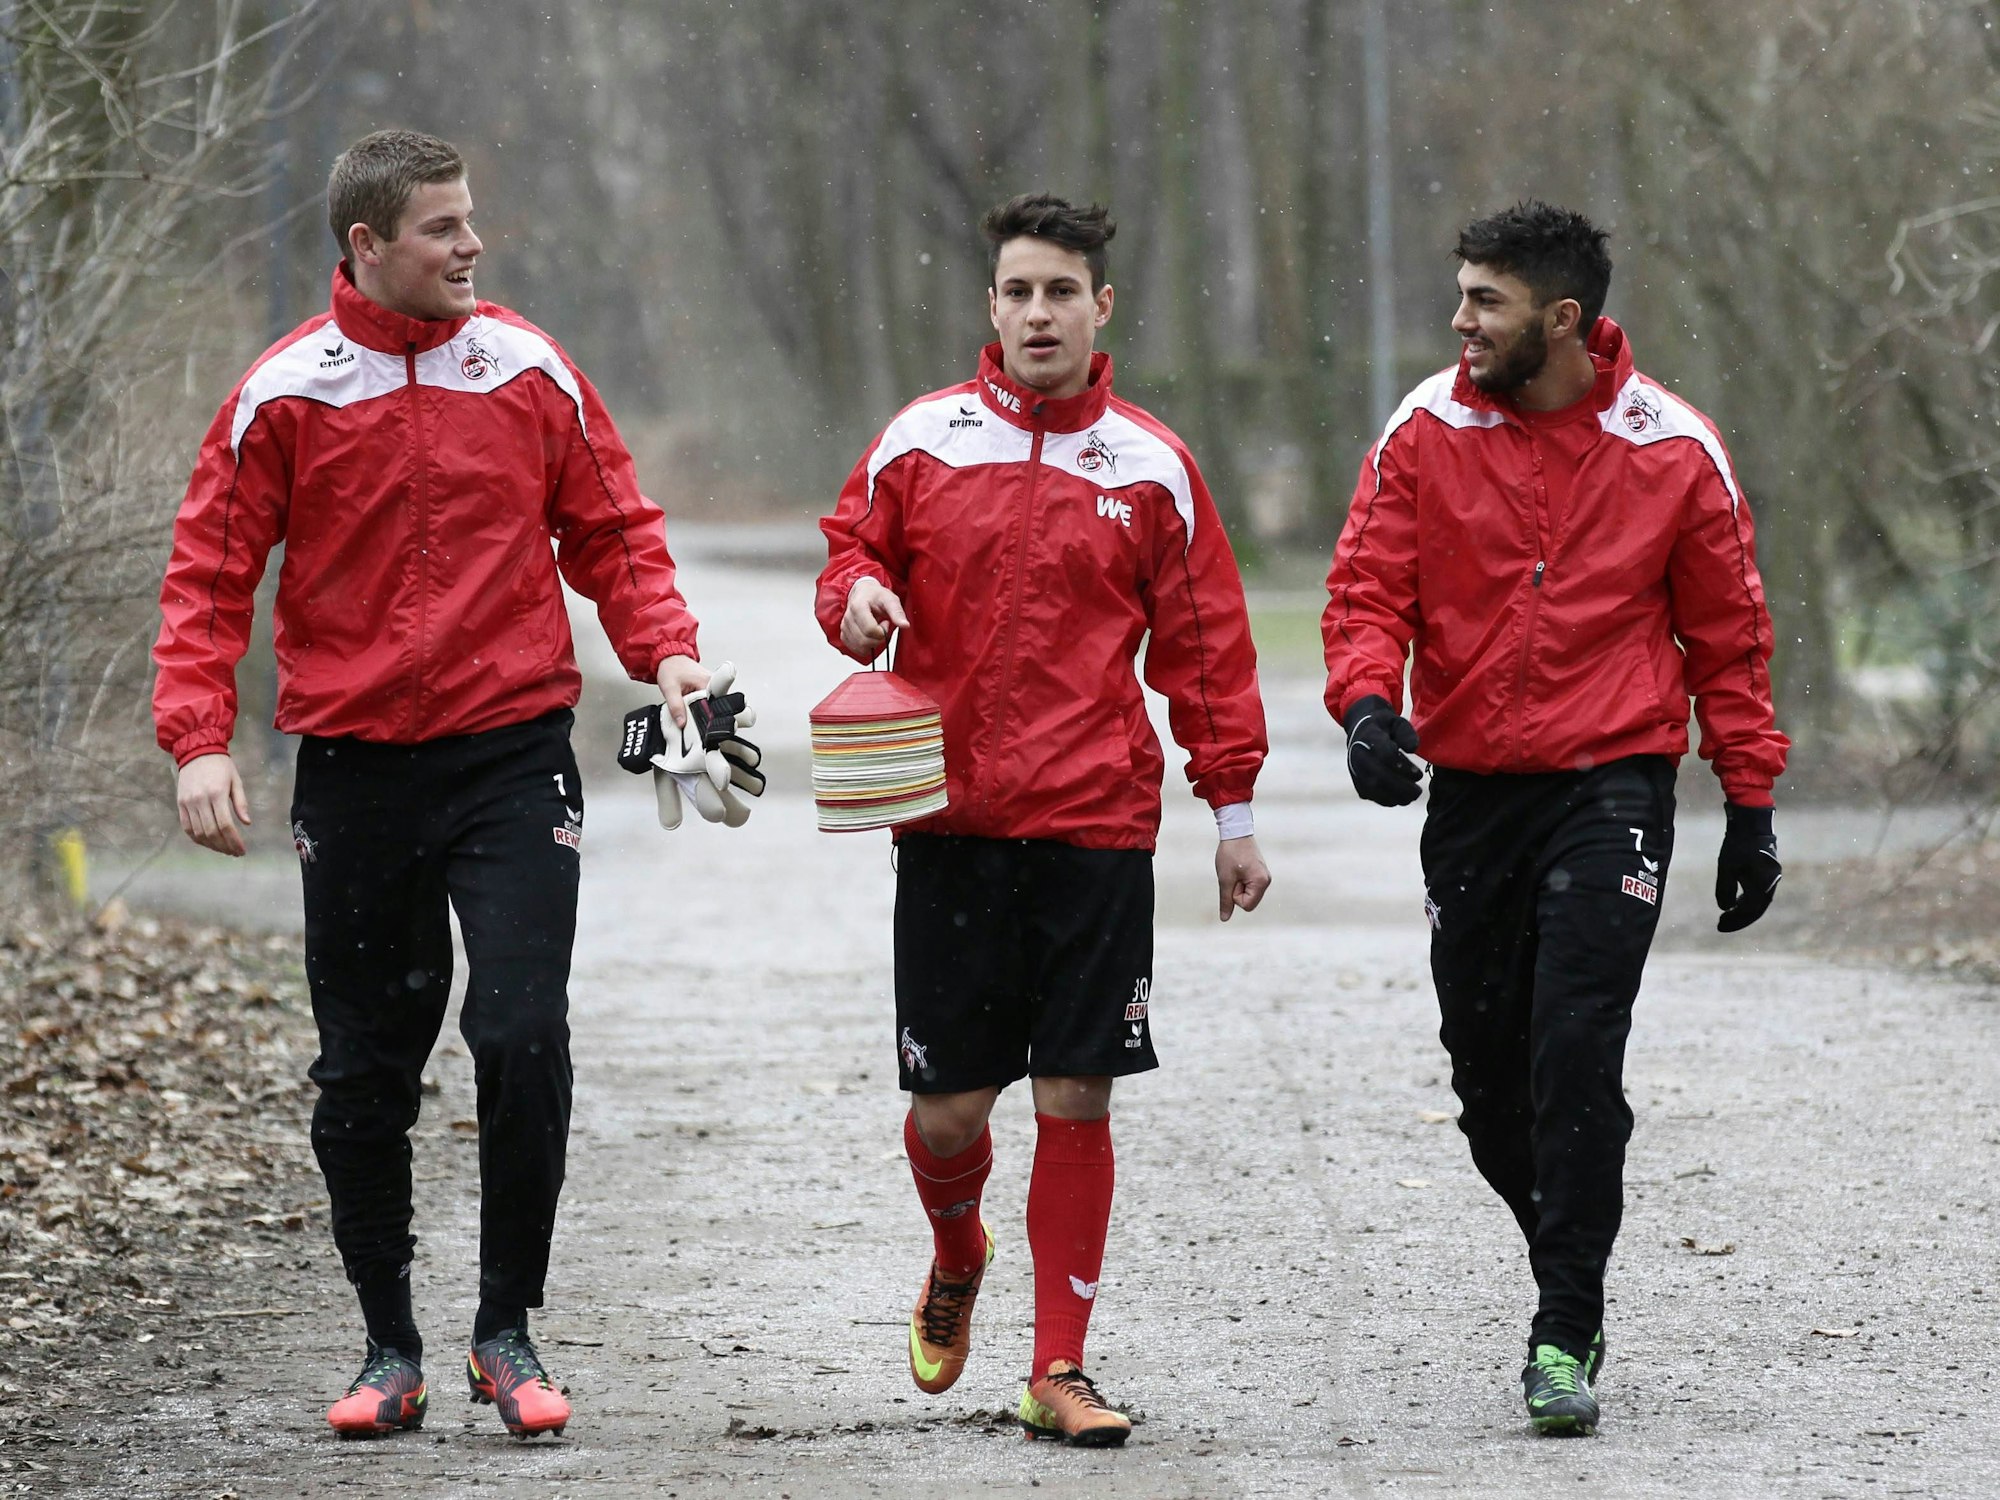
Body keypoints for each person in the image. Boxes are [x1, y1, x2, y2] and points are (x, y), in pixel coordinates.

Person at [152, 129, 743, 1439]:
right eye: (442, 227)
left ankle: (506, 1332)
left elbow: (613, 528)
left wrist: (667, 650)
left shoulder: (527, 368)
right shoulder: (285, 393)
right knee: (367, 1068)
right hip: (354, 772)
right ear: (366, 244)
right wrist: (197, 738)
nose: (472, 244)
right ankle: (388, 1350)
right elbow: (209, 574)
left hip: (510, 755)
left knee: (523, 1035)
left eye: (472, 219)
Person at [1321, 200, 1789, 1437]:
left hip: (1610, 782)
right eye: (1460, 295)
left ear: (1561, 318)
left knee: (1573, 1047)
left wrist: (1748, 804)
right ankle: (1566, 1251)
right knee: (1488, 1080)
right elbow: (1365, 590)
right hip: (1474, 792)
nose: (1459, 321)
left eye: (1485, 301)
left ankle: (1562, 1320)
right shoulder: (1425, 428)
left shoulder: (1670, 448)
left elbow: (1728, 639)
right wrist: (1366, 707)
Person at [816, 193, 1272, 1447]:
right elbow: (849, 556)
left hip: (1093, 826)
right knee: (951, 1113)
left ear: (1099, 307)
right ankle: (954, 1251)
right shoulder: (922, 440)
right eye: (1017, 292)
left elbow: (1205, 652)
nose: (1037, 313)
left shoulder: (1151, 466)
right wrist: (855, 597)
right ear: (991, 305)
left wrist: (1230, 810)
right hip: (948, 826)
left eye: (1060, 292)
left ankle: (1056, 1366)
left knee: (1077, 1091)